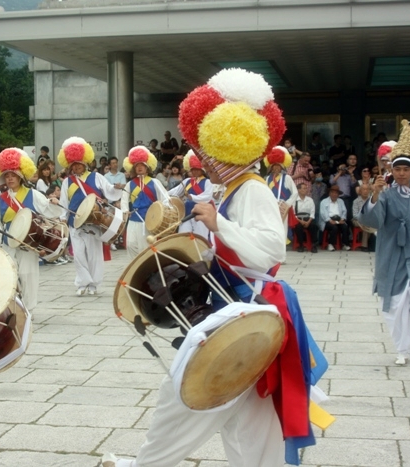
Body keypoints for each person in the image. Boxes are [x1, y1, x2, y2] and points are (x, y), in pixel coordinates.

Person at [103, 67, 328, 467]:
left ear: (230, 146)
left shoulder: (254, 190)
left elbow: (272, 251)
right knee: (250, 419)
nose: (203, 159)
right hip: (240, 309)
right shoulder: (232, 188)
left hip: (246, 307)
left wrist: (217, 223)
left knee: (185, 398)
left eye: (208, 151)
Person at [359, 119, 410, 365]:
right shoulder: (385, 194)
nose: (402, 173)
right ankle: (403, 350)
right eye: (398, 169)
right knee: (394, 307)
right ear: (392, 171)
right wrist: (374, 193)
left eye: (406, 169)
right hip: (392, 254)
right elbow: (374, 220)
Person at [0, 147, 62, 310]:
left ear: (20, 175)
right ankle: (15, 309)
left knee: (28, 276)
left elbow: (48, 210)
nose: (9, 179)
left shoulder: (33, 194)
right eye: (6, 176)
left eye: (13, 175)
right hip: (9, 242)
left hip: (29, 242)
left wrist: (54, 203)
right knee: (11, 277)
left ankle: (29, 309)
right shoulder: (0, 200)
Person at [58, 137, 123, 296]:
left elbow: (109, 191)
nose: (77, 167)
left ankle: (94, 284)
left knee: (94, 255)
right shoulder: (67, 181)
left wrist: (116, 188)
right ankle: (82, 283)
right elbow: (64, 202)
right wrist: (63, 218)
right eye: (74, 164)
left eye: (79, 163)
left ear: (85, 163)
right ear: (70, 165)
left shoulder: (97, 177)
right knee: (79, 255)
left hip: (94, 222)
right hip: (75, 222)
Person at [120, 146, 169, 258]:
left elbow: (165, 199)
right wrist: (125, 211)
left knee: (146, 247)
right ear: (134, 168)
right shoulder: (130, 184)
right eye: (137, 165)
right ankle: (135, 268)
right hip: (133, 218)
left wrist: (161, 213)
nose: (140, 167)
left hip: (150, 219)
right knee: (131, 245)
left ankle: (147, 271)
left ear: (147, 168)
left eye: (142, 165)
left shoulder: (154, 182)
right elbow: (124, 200)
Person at [168, 150, 213, 239]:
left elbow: (207, 197)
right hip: (187, 212)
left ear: (202, 170)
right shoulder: (187, 181)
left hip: (200, 213)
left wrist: (192, 197)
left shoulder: (208, 182)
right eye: (193, 169)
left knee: (200, 238)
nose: (195, 171)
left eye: (197, 169)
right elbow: (175, 191)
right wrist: (163, 193)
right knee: (183, 236)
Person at [265, 146, 298, 229]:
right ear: (271, 167)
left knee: (283, 228)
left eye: (278, 166)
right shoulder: (268, 178)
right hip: (271, 207)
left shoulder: (287, 178)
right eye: (274, 166)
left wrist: (287, 204)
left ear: (281, 167)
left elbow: (295, 193)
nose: (276, 168)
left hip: (283, 207)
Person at [319, 185, 350, 251]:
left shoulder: (341, 201)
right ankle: (331, 244)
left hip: (339, 219)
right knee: (334, 227)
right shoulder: (324, 202)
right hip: (328, 220)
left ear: (338, 195)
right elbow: (323, 213)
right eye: (332, 192)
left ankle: (345, 244)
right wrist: (329, 220)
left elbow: (344, 211)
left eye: (336, 193)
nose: (334, 194)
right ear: (329, 193)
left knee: (345, 227)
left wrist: (343, 219)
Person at [293, 182, 318, 253]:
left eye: (306, 188)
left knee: (314, 226)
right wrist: (300, 221)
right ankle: (301, 245)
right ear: (299, 190)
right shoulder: (294, 200)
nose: (306, 190)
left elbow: (312, 213)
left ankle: (314, 245)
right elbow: (293, 213)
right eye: (304, 188)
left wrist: (308, 221)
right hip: (298, 219)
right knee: (298, 227)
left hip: (308, 219)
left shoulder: (310, 200)